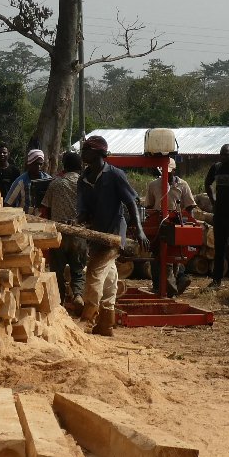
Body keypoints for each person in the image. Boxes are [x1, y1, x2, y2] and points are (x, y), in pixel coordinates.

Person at [77, 135, 147, 336]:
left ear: (98, 152)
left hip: (115, 233)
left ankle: (88, 317)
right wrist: (76, 220)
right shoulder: (83, 178)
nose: (83, 153)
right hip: (96, 232)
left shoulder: (115, 175)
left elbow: (131, 202)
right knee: (109, 276)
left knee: (94, 271)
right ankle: (106, 323)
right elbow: (83, 211)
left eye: (86, 149)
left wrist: (139, 230)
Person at [40, 151, 86, 311]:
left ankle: (59, 302)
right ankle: (78, 294)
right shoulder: (84, 183)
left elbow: (45, 209)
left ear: (64, 166)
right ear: (80, 166)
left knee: (57, 271)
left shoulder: (55, 183)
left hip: (58, 233)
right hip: (78, 233)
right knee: (77, 268)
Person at [144, 158, 195, 297]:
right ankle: (161, 286)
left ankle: (172, 285)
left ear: (174, 170)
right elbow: (149, 207)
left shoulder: (183, 185)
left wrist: (187, 224)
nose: (167, 175)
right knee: (157, 255)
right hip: (158, 224)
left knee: (176, 255)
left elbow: (190, 206)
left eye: (169, 172)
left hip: (176, 223)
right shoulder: (153, 185)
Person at [205, 144, 229, 288]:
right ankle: (217, 280)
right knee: (219, 248)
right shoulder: (216, 167)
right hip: (220, 213)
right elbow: (207, 184)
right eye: (221, 154)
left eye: (226, 154)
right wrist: (212, 201)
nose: (223, 157)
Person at [5, 149, 52, 213]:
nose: (38, 167)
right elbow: (8, 203)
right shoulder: (20, 182)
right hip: (25, 219)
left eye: (40, 164)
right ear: (29, 164)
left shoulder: (48, 180)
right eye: (36, 164)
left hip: (43, 220)